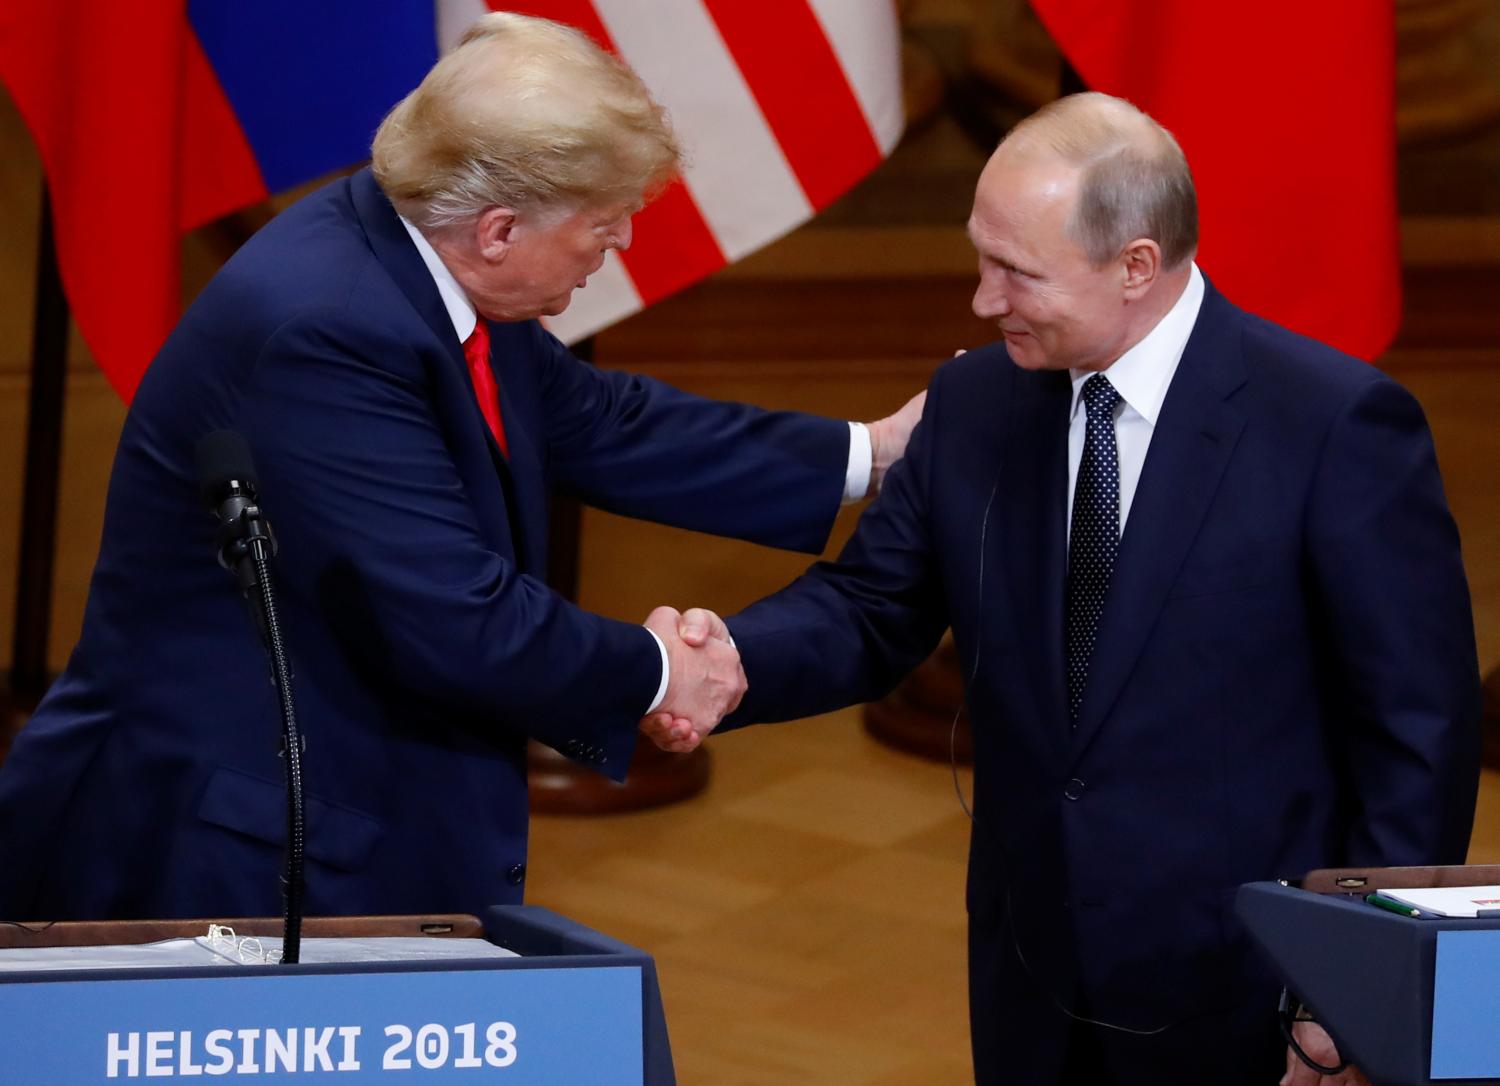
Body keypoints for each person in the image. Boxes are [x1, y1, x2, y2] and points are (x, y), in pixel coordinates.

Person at [0, 13, 921, 922]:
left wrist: (870, 454)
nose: (621, 249)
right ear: (498, 229)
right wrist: (659, 673)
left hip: (345, 796)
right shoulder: (322, 333)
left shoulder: (416, 252)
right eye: (605, 225)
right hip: (230, 851)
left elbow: (602, 422)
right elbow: (456, 616)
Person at [646, 92, 1482, 1086]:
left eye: (1016, 271)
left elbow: (1417, 740)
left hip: (1249, 992)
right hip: (1032, 977)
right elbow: (872, 607)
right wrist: (721, 666)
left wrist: (1354, 996)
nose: (983, 300)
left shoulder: (1334, 426)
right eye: (981, 257)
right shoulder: (975, 401)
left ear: (1136, 265)